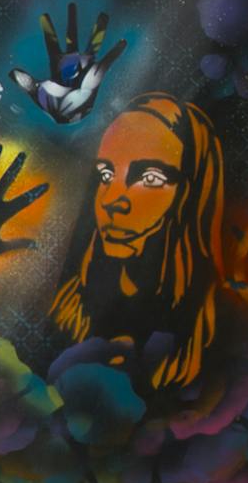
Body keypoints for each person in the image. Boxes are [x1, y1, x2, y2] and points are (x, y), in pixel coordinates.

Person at [49, 91, 224, 390]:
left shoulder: (218, 322)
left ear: (190, 195)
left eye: (151, 178)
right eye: (106, 175)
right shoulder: (68, 302)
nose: (112, 200)